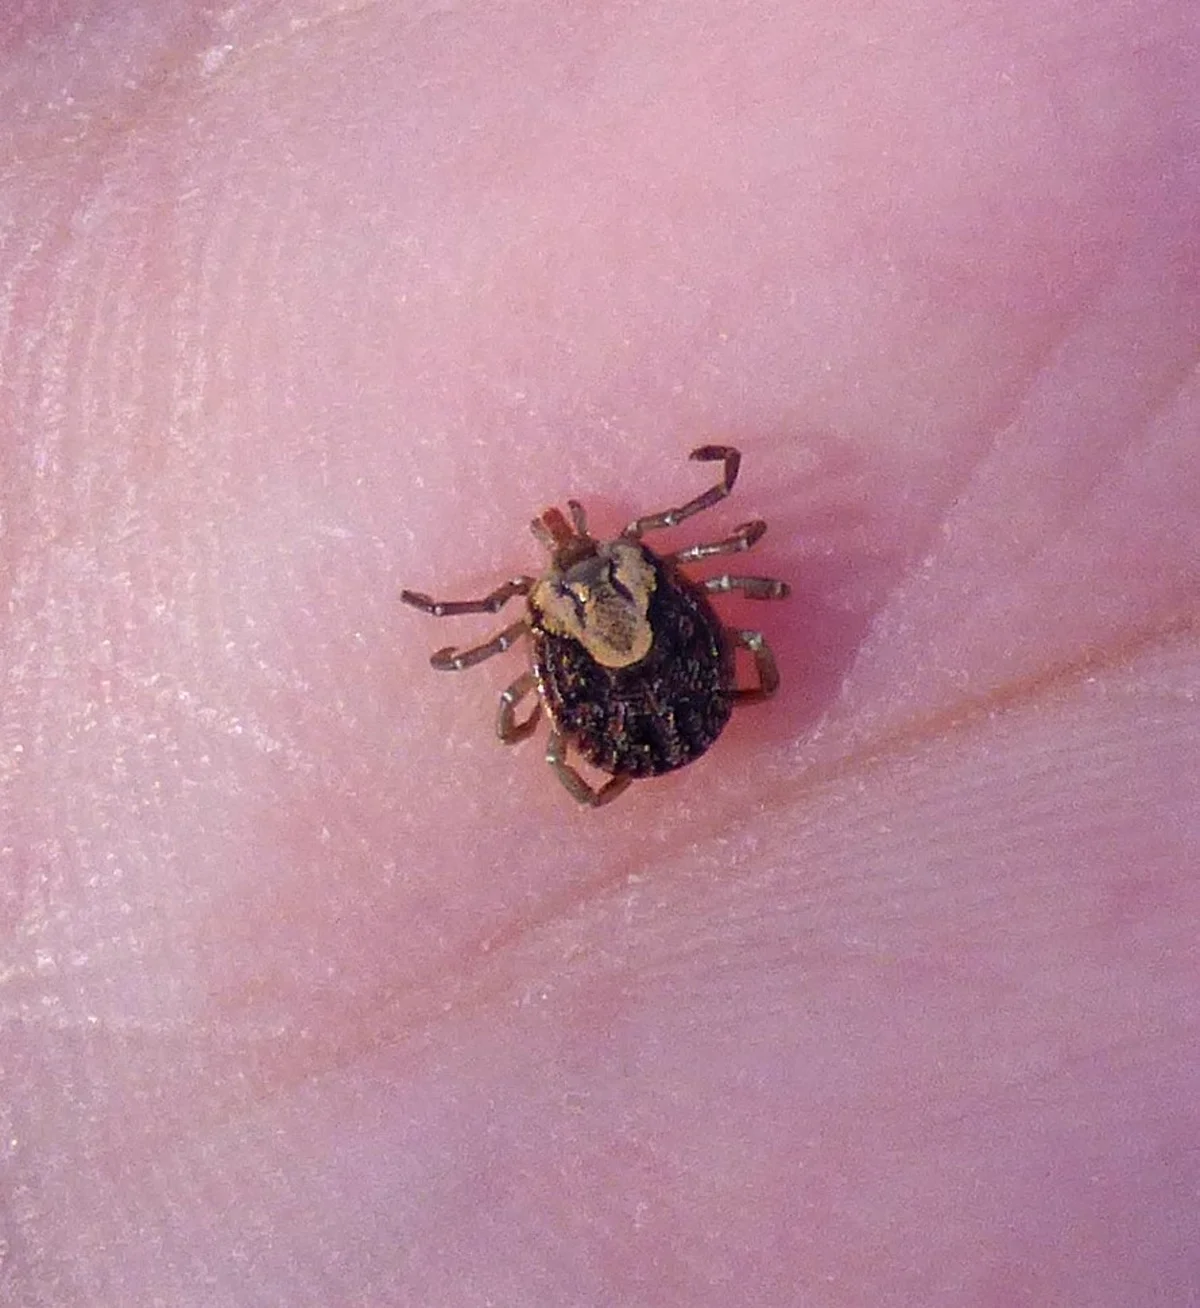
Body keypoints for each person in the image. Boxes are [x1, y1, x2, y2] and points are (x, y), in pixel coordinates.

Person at [4, 2, 1198, 1302]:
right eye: (591, 575)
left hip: (648, 727)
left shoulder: (564, 633)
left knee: (603, 719)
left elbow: (543, 675)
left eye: (590, 573)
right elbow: (735, 597)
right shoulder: (681, 581)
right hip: (671, 712)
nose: (586, 562)